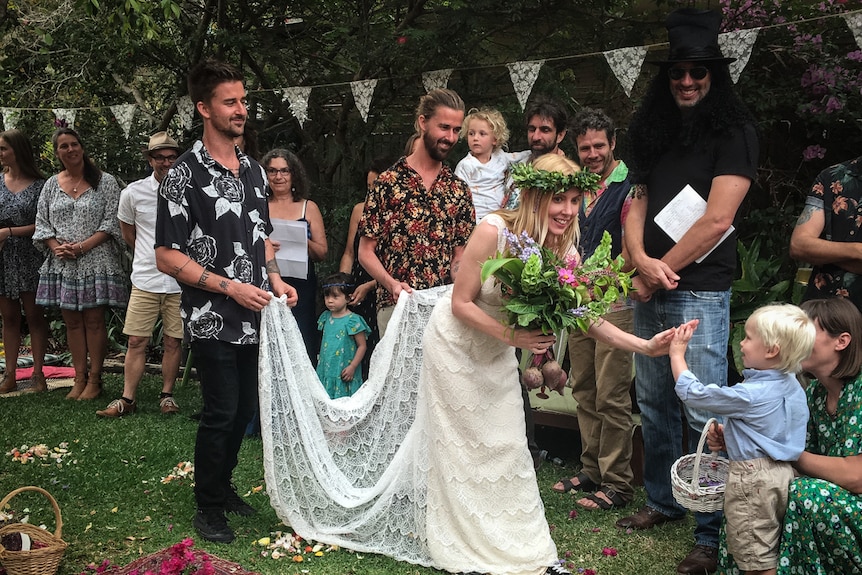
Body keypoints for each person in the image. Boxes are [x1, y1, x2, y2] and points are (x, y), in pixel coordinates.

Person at [260, 153, 695, 575]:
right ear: (533, 197)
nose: (566, 211)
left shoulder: (565, 252)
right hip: (454, 349)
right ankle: (460, 537)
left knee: (506, 443)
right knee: (462, 449)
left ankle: (519, 541)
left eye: (574, 201)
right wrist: (516, 337)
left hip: (495, 355)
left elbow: (587, 316)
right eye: (557, 200)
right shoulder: (493, 231)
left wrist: (645, 346)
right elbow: (460, 302)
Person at [616, 9, 760, 574]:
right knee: (651, 399)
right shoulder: (652, 129)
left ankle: (709, 527)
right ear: (666, 75)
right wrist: (638, 259)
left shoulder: (736, 133)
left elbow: (719, 219)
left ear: (714, 75)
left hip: (699, 291)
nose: (687, 80)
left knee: (701, 407)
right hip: (652, 282)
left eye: (698, 71)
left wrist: (656, 271)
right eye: (678, 71)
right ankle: (662, 500)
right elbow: (635, 200)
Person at [154, 59, 297, 544]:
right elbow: (165, 255)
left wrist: (275, 279)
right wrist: (228, 286)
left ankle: (222, 484)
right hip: (212, 315)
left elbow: (260, 239)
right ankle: (208, 506)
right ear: (204, 108)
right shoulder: (183, 175)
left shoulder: (255, 172)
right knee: (221, 409)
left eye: (243, 100)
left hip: (256, 311)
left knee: (243, 410)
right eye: (230, 101)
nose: (241, 109)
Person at [714, 297, 862, 574]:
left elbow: (856, 477)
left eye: (806, 330)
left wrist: (778, 450)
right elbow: (782, 447)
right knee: (756, 489)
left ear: (841, 341)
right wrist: (740, 441)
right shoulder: (812, 393)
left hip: (844, 501)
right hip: (829, 490)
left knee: (804, 492)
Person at [671, 304, 813, 575]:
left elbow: (694, 393)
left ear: (772, 350)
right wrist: (733, 438)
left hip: (752, 480)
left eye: (748, 337)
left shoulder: (751, 394)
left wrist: (677, 354)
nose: (742, 343)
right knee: (767, 547)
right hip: (783, 475)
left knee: (755, 559)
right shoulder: (793, 385)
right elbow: (771, 431)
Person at [551, 108, 636, 511]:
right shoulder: (576, 188)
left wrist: (600, 274)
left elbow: (633, 248)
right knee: (583, 387)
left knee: (612, 394)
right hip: (578, 303)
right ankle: (591, 469)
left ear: (613, 143)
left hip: (615, 301)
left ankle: (618, 483)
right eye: (584, 147)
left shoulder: (630, 185)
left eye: (599, 146)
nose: (592, 154)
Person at [358, 88, 475, 337]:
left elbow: (459, 256)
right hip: (395, 307)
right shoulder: (387, 182)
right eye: (444, 127)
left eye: (456, 130)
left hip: (443, 310)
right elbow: (365, 252)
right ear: (423, 122)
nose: (451, 137)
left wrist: (464, 286)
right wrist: (390, 283)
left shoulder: (459, 190)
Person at [33, 127, 128, 401]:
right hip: (62, 262)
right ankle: (79, 378)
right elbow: (42, 222)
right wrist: (57, 248)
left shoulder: (105, 182)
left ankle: (95, 379)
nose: (70, 150)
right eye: (64, 146)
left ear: (82, 148)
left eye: (74, 144)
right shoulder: (51, 184)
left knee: (95, 321)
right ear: (57, 153)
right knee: (72, 322)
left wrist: (82, 247)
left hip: (95, 259)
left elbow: (112, 222)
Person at [96, 132, 184, 418]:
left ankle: (167, 396)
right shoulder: (132, 193)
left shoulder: (189, 191)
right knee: (136, 340)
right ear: (150, 160)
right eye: (160, 157)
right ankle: (127, 398)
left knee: (173, 340)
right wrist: (150, 255)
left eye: (171, 157)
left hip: (181, 279)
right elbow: (128, 233)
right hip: (145, 277)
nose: (166, 162)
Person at [263, 148, 327, 364]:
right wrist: (263, 246)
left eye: (284, 171)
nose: (278, 177)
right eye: (272, 171)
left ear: (294, 175)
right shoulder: (258, 205)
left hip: (301, 286)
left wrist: (301, 240)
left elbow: (322, 252)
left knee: (302, 339)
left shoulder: (308, 208)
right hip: (266, 284)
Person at [0, 129, 49, 394]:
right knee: (8, 317)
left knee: (34, 316)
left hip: (30, 254)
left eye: (3, 149)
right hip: (3, 257)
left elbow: (42, 225)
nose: (0, 154)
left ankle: (38, 374)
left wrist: (9, 232)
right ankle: (9, 374)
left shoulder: (40, 186)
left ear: (17, 150)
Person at [338, 157, 389, 377]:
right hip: (356, 286)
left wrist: (370, 285)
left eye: (377, 187)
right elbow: (350, 252)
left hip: (383, 287)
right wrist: (340, 285)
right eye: (369, 188)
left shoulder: (399, 214)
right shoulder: (360, 210)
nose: (372, 194)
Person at [789, 155, 862, 311]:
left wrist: (827, 253)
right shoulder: (832, 177)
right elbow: (799, 245)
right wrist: (857, 251)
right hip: (822, 315)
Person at [454, 107, 530, 221]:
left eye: (482, 134)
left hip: (500, 216)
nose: (475, 138)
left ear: (494, 139)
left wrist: (541, 153)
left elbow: (521, 156)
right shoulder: (466, 165)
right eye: (471, 133)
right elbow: (457, 194)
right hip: (476, 217)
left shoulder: (500, 157)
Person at [503, 95, 568, 209]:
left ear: (560, 135)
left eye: (545, 130)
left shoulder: (567, 175)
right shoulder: (516, 165)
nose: (536, 136)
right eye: (532, 129)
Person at [316, 272, 371, 399]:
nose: (329, 300)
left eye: (335, 297)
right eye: (327, 296)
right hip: (327, 369)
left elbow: (362, 346)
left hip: (345, 371)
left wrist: (353, 366)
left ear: (348, 297)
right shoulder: (325, 318)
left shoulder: (353, 321)